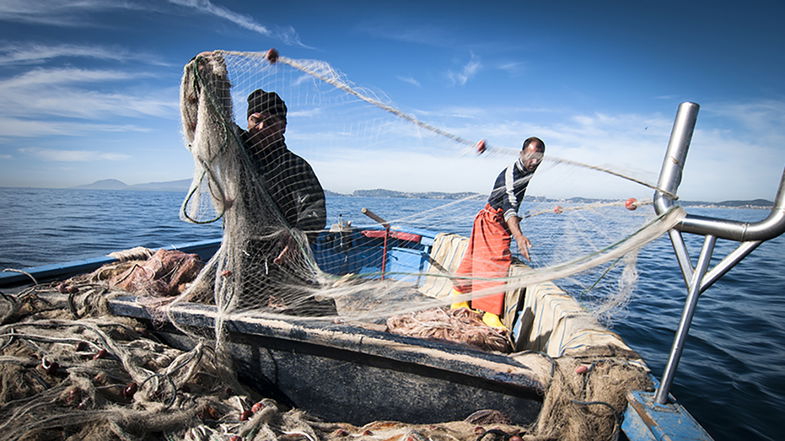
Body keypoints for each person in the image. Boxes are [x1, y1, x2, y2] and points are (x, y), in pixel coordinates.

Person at [450, 137, 545, 329]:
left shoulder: (527, 169)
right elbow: (509, 205)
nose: (535, 162)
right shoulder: (510, 175)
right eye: (532, 156)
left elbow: (513, 208)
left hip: (498, 218)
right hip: (492, 220)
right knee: (497, 260)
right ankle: (490, 314)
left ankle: (459, 299)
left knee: (474, 258)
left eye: (539, 158)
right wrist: (518, 236)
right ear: (521, 153)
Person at [241, 89, 327, 255]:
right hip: (241, 251)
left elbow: (313, 208)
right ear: (248, 122)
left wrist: (300, 234)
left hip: (282, 255)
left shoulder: (295, 165)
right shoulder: (233, 150)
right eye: (256, 120)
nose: (262, 127)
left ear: (283, 127)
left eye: (271, 122)